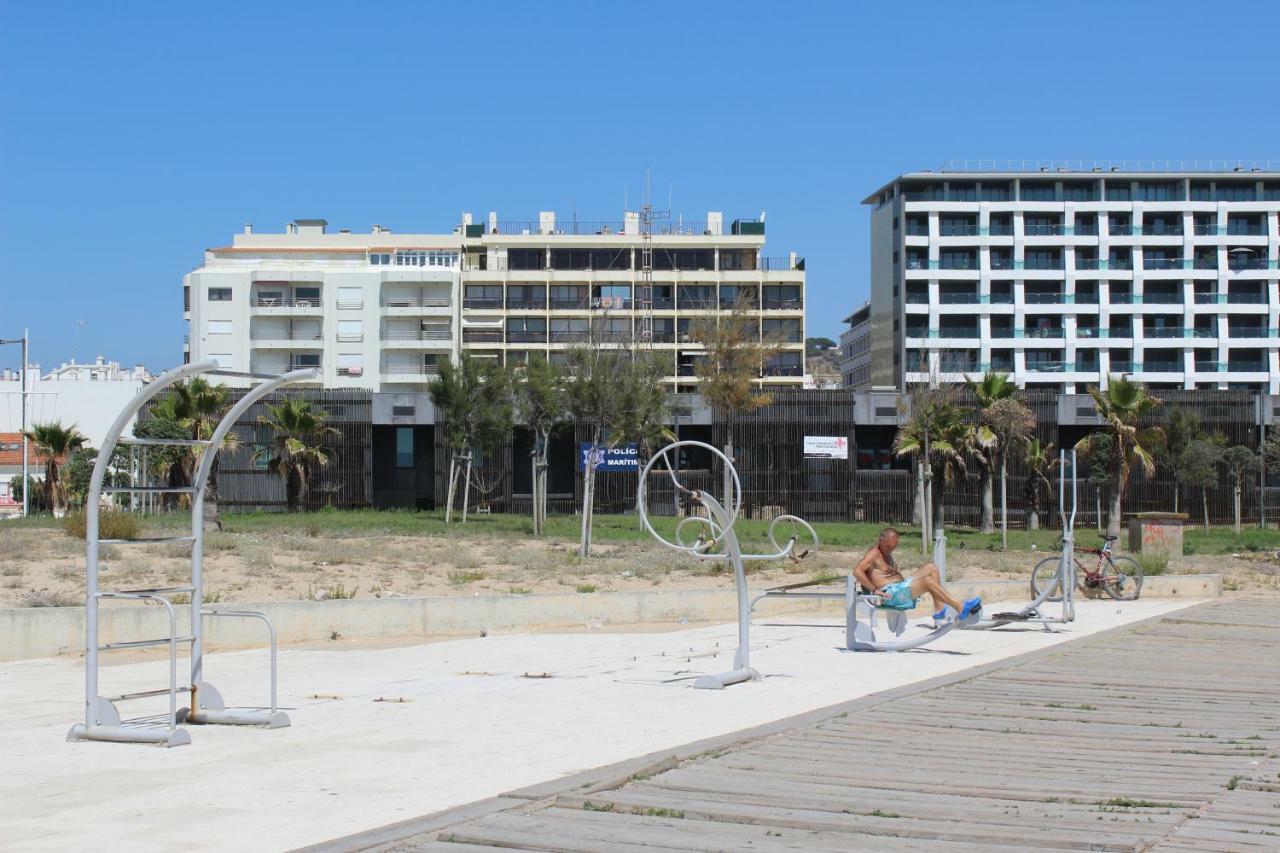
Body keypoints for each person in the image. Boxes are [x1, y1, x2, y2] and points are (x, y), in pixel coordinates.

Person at [852, 527, 982, 621]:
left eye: (893, 547)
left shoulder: (885, 552)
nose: (890, 550)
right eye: (888, 547)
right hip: (890, 595)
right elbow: (857, 571)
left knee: (931, 568)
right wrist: (875, 590)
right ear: (881, 541)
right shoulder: (873, 554)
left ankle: (939, 609)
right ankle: (959, 606)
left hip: (899, 588)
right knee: (926, 581)